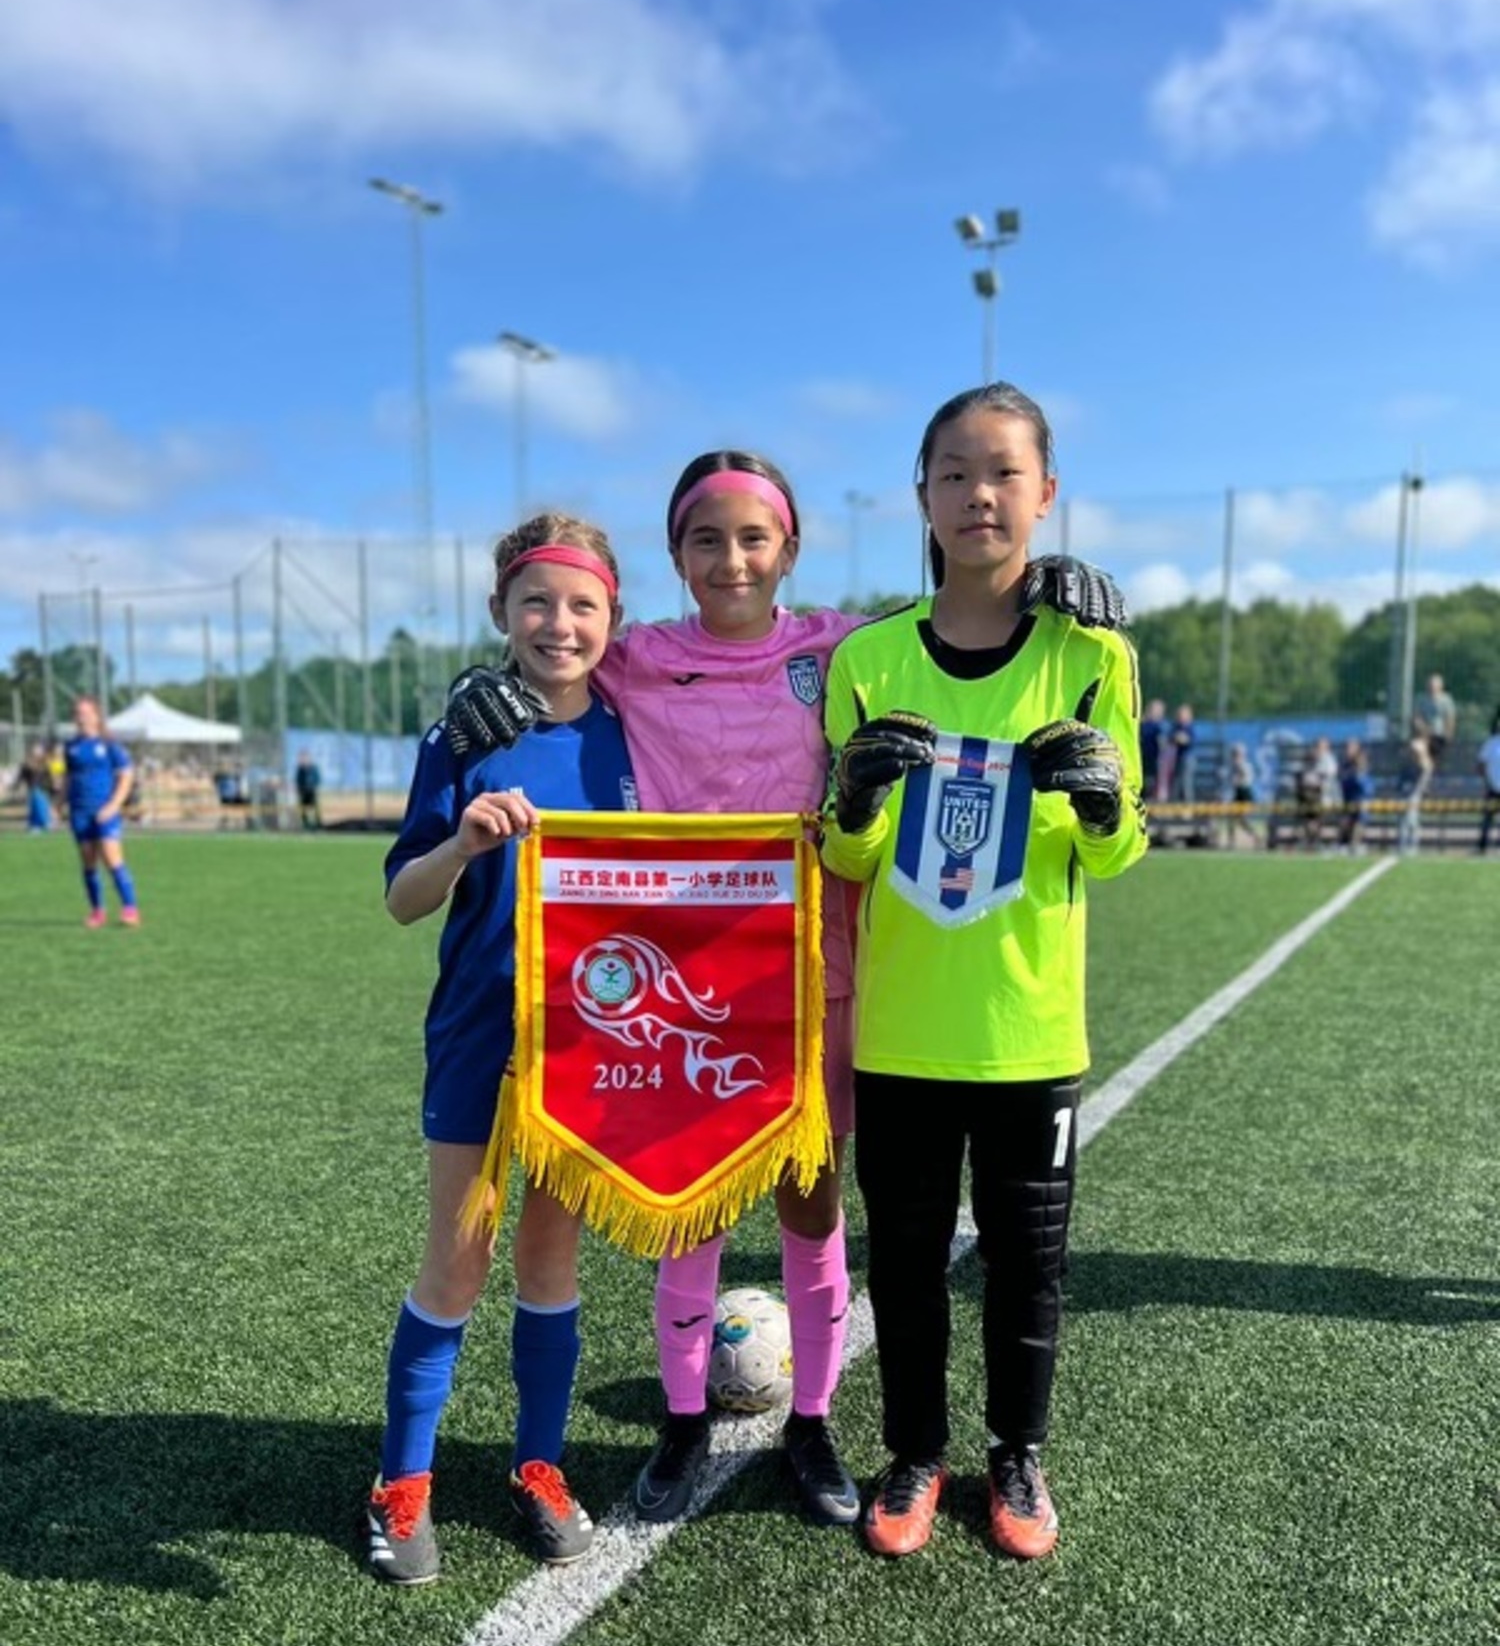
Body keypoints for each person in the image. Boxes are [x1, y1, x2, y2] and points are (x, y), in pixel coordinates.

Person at [447, 456, 1128, 1532]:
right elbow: (556, 656)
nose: (731, 560)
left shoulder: (841, 649)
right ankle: (683, 1421)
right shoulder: (638, 659)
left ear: (790, 550)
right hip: (680, 992)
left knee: (813, 1203)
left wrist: (1049, 578)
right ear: (676, 557)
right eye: (705, 540)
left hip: (817, 978)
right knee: (691, 1207)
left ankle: (811, 1420)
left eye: (753, 538)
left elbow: (950, 625)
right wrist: (481, 688)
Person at [820, 381, 1147, 1560]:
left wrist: (1105, 799)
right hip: (904, 1028)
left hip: (1030, 1030)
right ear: (922, 495)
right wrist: (854, 796)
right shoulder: (864, 659)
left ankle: (1020, 1451)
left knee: (1028, 1266)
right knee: (903, 1267)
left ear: (1047, 494)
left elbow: (1119, 848)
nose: (980, 493)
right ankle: (913, 1452)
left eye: (1005, 471)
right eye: (954, 471)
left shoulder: (1095, 653)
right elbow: (844, 853)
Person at [366, 513, 638, 1585]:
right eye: (537, 602)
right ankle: (401, 1478)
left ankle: (538, 1461)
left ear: (615, 617)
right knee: (460, 1254)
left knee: (550, 1256)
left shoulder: (634, 727)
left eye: (582, 605)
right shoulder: (463, 733)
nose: (559, 624)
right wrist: (464, 838)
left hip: (590, 1032)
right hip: (481, 1027)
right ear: (499, 614)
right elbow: (399, 898)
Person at [64, 696, 141, 927]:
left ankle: (130, 908)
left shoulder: (109, 745)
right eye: (78, 713)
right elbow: (69, 776)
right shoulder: (71, 746)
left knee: (112, 858)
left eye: (86, 713)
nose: (81, 718)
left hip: (105, 810)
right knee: (88, 862)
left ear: (97, 716)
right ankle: (97, 911)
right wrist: (60, 800)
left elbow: (126, 776)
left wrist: (114, 805)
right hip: (80, 811)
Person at [1396, 727, 1432, 855]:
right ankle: (1402, 844)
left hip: (1414, 792)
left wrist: (1419, 788)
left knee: (1411, 818)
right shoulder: (1408, 761)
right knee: (1402, 818)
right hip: (1406, 790)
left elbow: (1425, 773)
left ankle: (1412, 845)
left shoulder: (1423, 761)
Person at [1336, 739, 1373, 853]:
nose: (1348, 750)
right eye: (1347, 747)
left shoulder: (1362, 762)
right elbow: (1342, 780)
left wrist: (1359, 768)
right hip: (1348, 796)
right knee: (1345, 820)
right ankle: (1342, 844)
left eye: (1351, 747)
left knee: (1360, 819)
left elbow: (1365, 783)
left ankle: (1355, 844)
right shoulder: (1344, 764)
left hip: (1361, 796)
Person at [1414, 673, 1456, 769]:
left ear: (1440, 686)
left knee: (1438, 755)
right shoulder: (1421, 699)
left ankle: (1431, 769)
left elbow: (1450, 719)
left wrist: (1448, 735)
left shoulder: (1446, 700)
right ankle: (1425, 769)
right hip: (1423, 735)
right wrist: (1422, 729)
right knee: (1417, 748)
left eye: (1433, 685)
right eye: (1429, 685)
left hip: (1440, 735)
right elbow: (1416, 717)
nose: (1431, 688)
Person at [13, 743, 55, 832]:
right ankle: (36, 825)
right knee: (35, 805)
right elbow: (20, 777)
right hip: (33, 788)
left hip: (43, 789)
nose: (37, 754)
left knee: (40, 805)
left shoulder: (44, 764)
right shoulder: (27, 764)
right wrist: (16, 787)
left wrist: (52, 788)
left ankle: (42, 823)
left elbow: (49, 777)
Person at [1475, 711, 1500, 854]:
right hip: (1493, 788)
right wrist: (1486, 783)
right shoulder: (1491, 743)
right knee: (1487, 820)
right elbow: (1481, 765)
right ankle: (1482, 847)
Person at [1167, 702, 1196, 802]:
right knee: (1176, 783)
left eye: (1182, 714)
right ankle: (1174, 807)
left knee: (1186, 783)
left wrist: (1180, 738)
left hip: (1187, 759)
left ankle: (1188, 807)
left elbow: (1188, 740)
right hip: (1176, 759)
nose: (1180, 716)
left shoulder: (1189, 727)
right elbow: (1171, 738)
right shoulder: (1176, 726)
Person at [1140, 698, 1167, 802]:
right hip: (1141, 758)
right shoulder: (1142, 724)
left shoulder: (1159, 727)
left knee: (1150, 782)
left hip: (1152, 759)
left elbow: (1162, 744)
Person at [293, 750, 323, 829]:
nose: (303, 759)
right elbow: (298, 780)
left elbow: (317, 779)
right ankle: (306, 825)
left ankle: (318, 825)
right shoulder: (300, 769)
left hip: (311, 791)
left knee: (315, 808)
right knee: (303, 809)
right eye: (302, 758)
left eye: (305, 757)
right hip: (303, 792)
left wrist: (313, 786)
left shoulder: (313, 768)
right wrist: (300, 789)